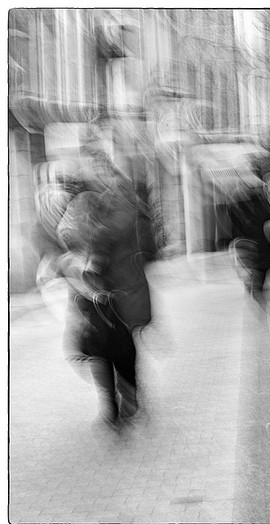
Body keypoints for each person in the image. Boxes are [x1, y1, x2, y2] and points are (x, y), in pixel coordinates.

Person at [57, 128, 154, 430]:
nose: (95, 169)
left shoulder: (122, 193)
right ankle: (109, 403)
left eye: (99, 162)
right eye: (90, 163)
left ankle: (131, 392)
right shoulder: (83, 196)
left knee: (122, 345)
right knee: (99, 348)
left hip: (121, 287)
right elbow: (65, 230)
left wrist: (90, 238)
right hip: (91, 290)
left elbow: (115, 229)